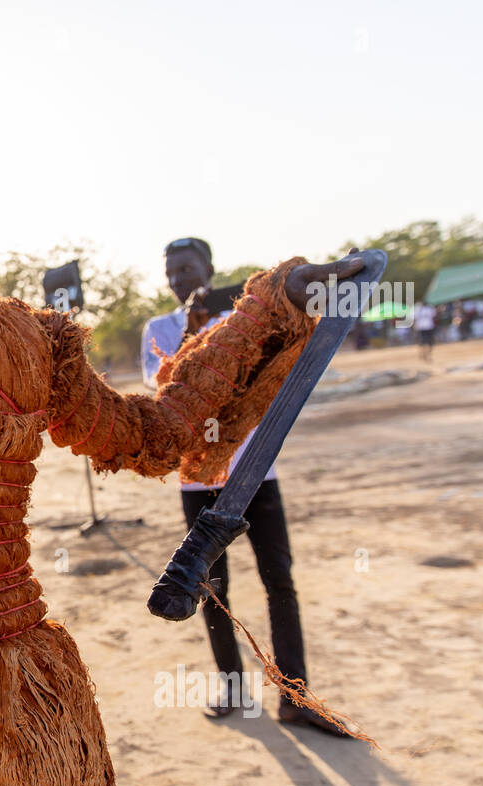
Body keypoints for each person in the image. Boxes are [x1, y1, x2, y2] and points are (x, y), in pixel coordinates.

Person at [141, 236, 345, 735]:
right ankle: (232, 686)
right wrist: (191, 332)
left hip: (256, 470)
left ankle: (294, 695)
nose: (179, 279)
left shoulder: (245, 318)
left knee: (280, 580)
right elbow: (160, 386)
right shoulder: (161, 328)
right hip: (199, 480)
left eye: (187, 268)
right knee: (211, 586)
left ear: (209, 269)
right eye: (172, 272)